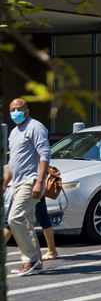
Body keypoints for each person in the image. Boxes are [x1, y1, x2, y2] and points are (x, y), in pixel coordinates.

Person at [3, 98, 51, 276]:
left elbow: (44, 155)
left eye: (19, 108)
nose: (15, 112)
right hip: (17, 183)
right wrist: (4, 184)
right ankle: (34, 262)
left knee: (15, 218)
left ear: (27, 110)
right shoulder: (14, 132)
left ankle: (30, 259)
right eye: (12, 109)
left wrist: (39, 181)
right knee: (26, 222)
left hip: (30, 182)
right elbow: (12, 163)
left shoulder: (35, 127)